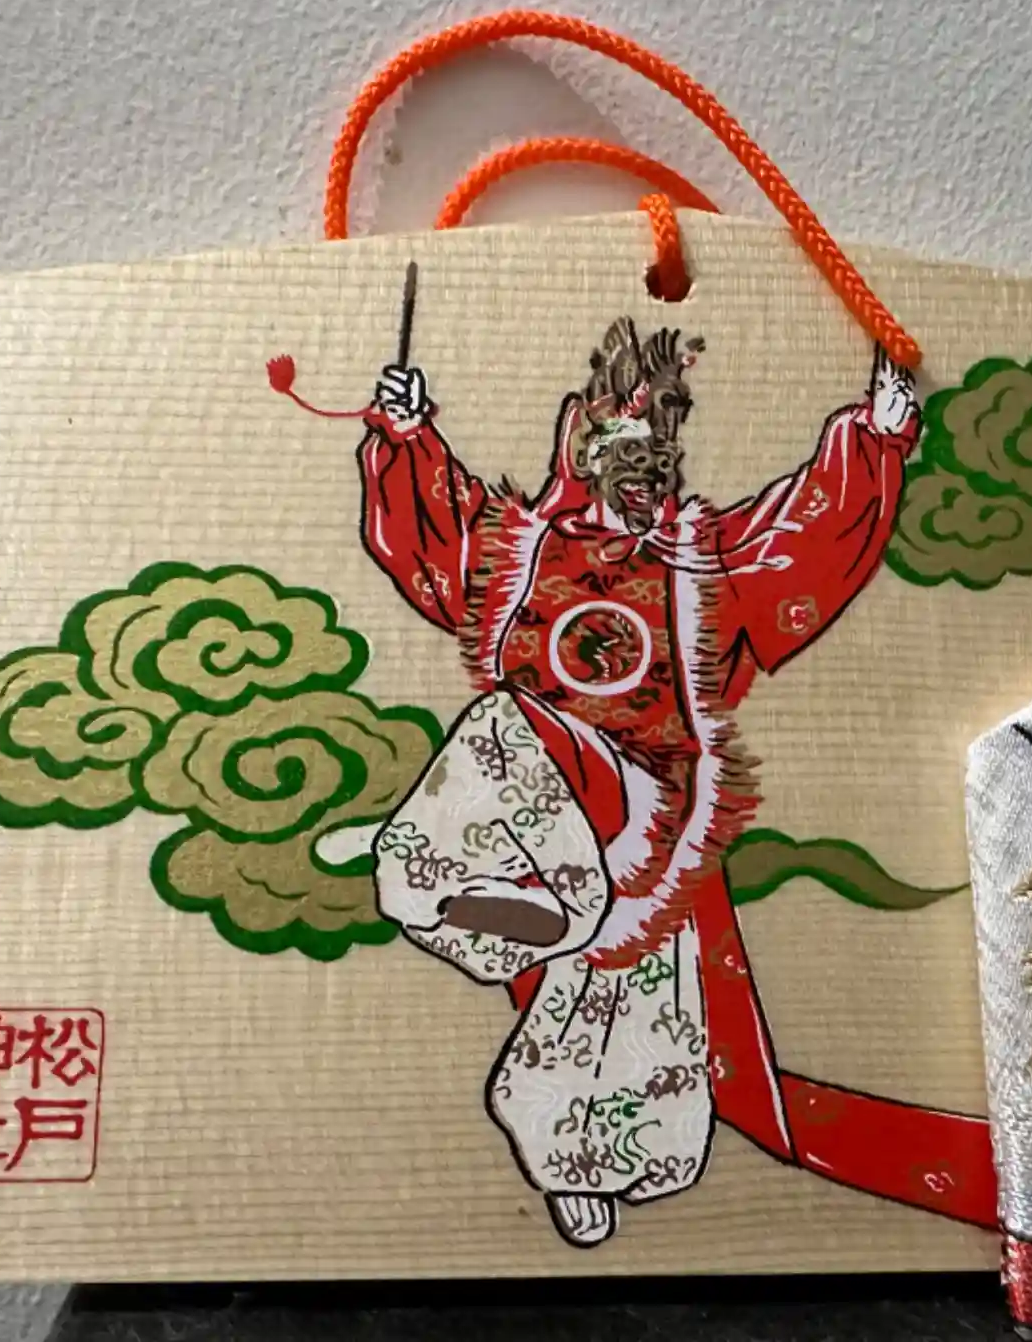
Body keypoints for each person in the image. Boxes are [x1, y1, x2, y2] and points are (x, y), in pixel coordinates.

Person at [360, 318, 925, 1246]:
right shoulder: (523, 548)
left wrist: (875, 434)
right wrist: (407, 434)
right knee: (497, 738)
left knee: (629, 1014)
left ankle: (586, 1150)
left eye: (658, 469)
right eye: (626, 464)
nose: (646, 486)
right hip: (529, 788)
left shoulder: (699, 560)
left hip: (639, 814)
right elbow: (438, 531)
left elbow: (801, 532)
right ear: (584, 458)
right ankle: (530, 908)